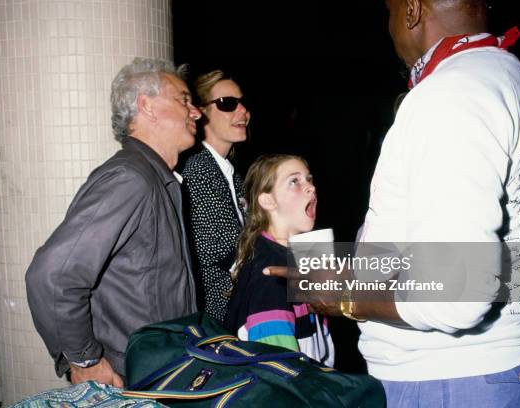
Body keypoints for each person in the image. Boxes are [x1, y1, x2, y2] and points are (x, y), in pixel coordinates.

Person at [267, 0, 520, 405]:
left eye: (389, 9)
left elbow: (456, 293)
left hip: (448, 380)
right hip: (496, 366)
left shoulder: (451, 95)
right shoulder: (504, 73)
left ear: (411, 11)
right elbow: (512, 259)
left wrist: (344, 295)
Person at [25, 58, 201, 386]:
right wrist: (86, 360)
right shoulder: (130, 179)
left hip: (161, 365)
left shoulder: (154, 178)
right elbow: (52, 276)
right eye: (184, 99)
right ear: (146, 106)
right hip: (135, 375)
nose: (196, 111)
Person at [225, 154, 334, 366]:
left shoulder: (291, 256)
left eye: (309, 179)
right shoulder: (271, 272)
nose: (311, 187)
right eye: (294, 181)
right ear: (268, 200)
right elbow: (279, 367)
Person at [181, 70, 250, 323]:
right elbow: (226, 251)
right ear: (201, 112)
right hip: (219, 318)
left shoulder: (231, 174)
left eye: (242, 103)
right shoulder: (198, 168)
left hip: (237, 309)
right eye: (228, 104)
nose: (242, 111)